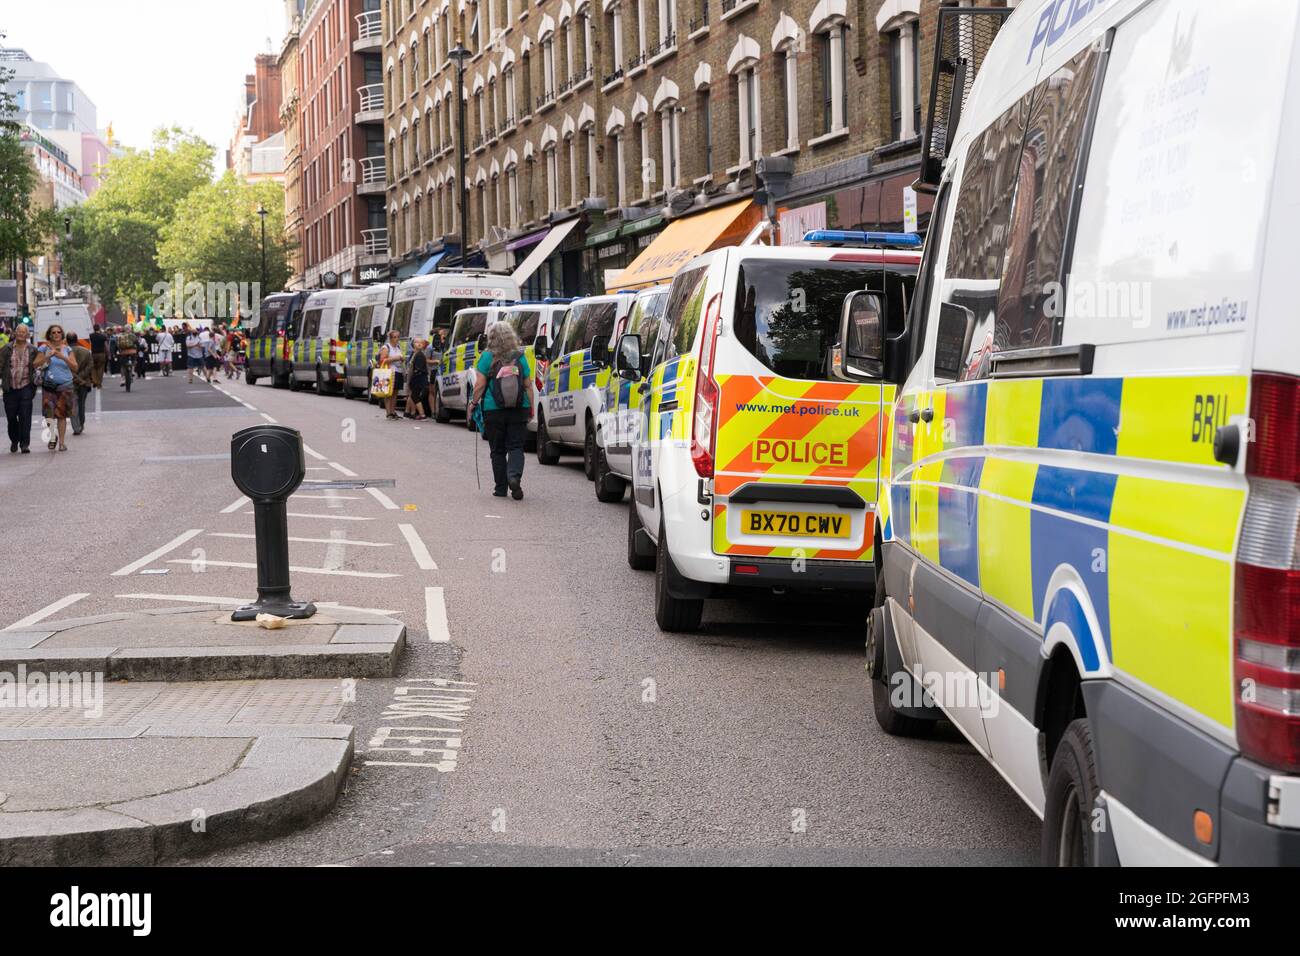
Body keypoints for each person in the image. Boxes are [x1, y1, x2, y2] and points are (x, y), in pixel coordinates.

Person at [470, 322, 532, 500]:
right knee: (516, 446)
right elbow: (528, 385)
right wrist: (531, 408)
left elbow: (480, 384)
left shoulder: (487, 357)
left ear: (491, 337)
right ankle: (514, 476)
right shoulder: (520, 357)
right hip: (519, 408)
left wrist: (473, 403)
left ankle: (500, 488)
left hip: (493, 409)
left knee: (497, 450)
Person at [33, 324, 77, 452]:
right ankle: (53, 436)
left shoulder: (67, 349)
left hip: (65, 386)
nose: (56, 334)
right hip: (49, 387)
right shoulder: (43, 348)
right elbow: (35, 364)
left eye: (59, 332)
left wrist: (62, 357)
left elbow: (75, 367)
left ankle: (62, 443)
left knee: (62, 415)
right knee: (49, 415)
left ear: (62, 334)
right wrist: (48, 356)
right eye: (53, 332)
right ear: (49, 335)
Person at [1, 322, 37, 453]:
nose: (21, 334)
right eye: (19, 331)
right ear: (15, 333)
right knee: (11, 418)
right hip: (10, 388)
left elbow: (38, 366)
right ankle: (14, 440)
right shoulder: (6, 349)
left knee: (25, 416)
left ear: (28, 334)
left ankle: (24, 444)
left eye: (24, 332)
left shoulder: (33, 350)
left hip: (26, 387)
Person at [67, 332, 93, 436]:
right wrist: (81, 376)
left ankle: (76, 427)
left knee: (73, 405)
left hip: (70, 382)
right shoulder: (86, 351)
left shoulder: (65, 352)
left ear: (67, 341)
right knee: (82, 404)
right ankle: (81, 424)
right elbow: (90, 366)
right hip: (84, 382)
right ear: (77, 339)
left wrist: (74, 377)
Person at [378, 329, 405, 420]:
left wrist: (401, 359)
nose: (397, 339)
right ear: (390, 338)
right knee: (389, 393)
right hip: (389, 372)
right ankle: (388, 413)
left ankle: (393, 412)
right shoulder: (386, 347)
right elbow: (382, 360)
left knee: (395, 393)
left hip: (398, 372)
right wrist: (395, 358)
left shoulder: (398, 347)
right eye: (394, 337)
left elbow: (401, 358)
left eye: (398, 337)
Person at [406, 337, 429, 420]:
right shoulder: (414, 353)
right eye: (416, 342)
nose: (419, 344)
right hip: (415, 379)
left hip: (418, 379)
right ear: (413, 344)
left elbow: (418, 369)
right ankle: (409, 412)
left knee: (415, 396)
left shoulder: (420, 354)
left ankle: (422, 414)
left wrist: (413, 378)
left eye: (421, 343)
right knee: (413, 395)